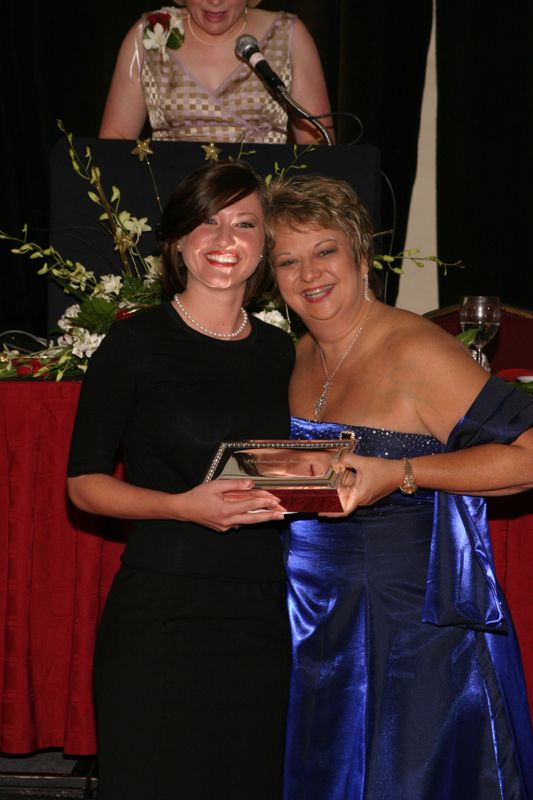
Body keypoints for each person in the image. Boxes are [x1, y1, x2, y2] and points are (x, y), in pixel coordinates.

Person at [265, 173, 533, 799]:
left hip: (413, 630)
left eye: (325, 250)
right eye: (288, 260)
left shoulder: (416, 349)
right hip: (316, 620)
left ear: (360, 256)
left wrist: (405, 473)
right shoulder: (300, 354)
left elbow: (526, 455)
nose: (310, 274)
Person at [67, 160, 294, 800]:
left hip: (261, 614)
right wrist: (182, 506)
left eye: (244, 223)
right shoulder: (134, 345)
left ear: (265, 244)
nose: (225, 239)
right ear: (176, 240)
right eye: (206, 221)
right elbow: (83, 485)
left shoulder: (284, 352)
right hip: (162, 613)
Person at [99, 0, 333, 144]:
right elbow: (115, 139)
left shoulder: (288, 34)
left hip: (264, 207)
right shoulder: (148, 34)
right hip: (172, 205)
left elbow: (317, 142)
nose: (215, 1)